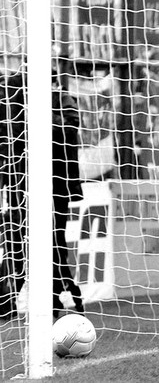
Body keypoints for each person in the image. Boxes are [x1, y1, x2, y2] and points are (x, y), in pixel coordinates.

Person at [52, 81, 85, 318]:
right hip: (30, 184)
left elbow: (70, 128)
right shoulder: (21, 100)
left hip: (58, 182)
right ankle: (62, 289)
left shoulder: (64, 100)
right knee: (43, 240)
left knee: (55, 238)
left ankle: (63, 290)